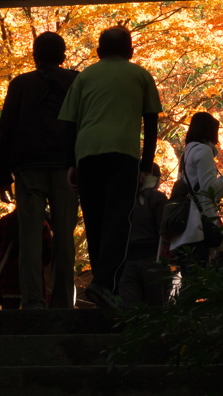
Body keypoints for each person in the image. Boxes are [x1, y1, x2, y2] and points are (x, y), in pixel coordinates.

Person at [59, 25, 161, 311]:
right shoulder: (140, 75)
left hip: (87, 153)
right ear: (131, 50)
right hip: (124, 153)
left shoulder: (86, 76)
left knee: (94, 218)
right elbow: (151, 122)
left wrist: (70, 162)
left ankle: (103, 286)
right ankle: (105, 285)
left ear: (98, 51)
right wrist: (147, 161)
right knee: (119, 219)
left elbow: (68, 122)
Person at [0, 31, 79, 309]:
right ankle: (63, 300)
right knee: (65, 236)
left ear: (35, 55)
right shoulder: (75, 82)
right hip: (67, 167)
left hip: (28, 166)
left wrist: (2, 174)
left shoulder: (20, 84)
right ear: (63, 55)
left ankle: (32, 300)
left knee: (29, 236)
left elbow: (5, 128)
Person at [169, 114, 223, 278]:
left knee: (190, 280)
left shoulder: (187, 153)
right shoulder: (203, 151)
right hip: (197, 228)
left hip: (183, 229)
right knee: (197, 282)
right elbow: (209, 189)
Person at [120, 163, 169, 309]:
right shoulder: (157, 198)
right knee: (158, 310)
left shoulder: (124, 200)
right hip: (152, 260)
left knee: (130, 313)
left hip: (127, 261)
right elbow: (164, 230)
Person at [0, 209, 53, 310]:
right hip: (33, 280)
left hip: (8, 280)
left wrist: (5, 260)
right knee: (33, 316)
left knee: (9, 317)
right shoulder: (41, 224)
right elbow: (48, 253)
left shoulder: (4, 221)